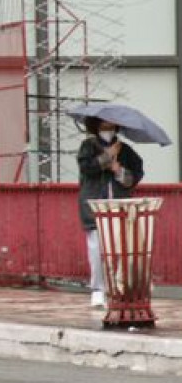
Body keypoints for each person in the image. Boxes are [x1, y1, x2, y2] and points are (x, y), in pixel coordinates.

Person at [77, 117, 143, 310]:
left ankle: (119, 287)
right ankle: (98, 289)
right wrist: (106, 157)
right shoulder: (88, 146)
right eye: (104, 126)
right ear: (96, 127)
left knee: (121, 249)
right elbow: (86, 168)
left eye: (111, 126)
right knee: (97, 249)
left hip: (119, 205)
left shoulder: (126, 150)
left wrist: (118, 169)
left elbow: (135, 176)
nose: (108, 130)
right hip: (95, 205)